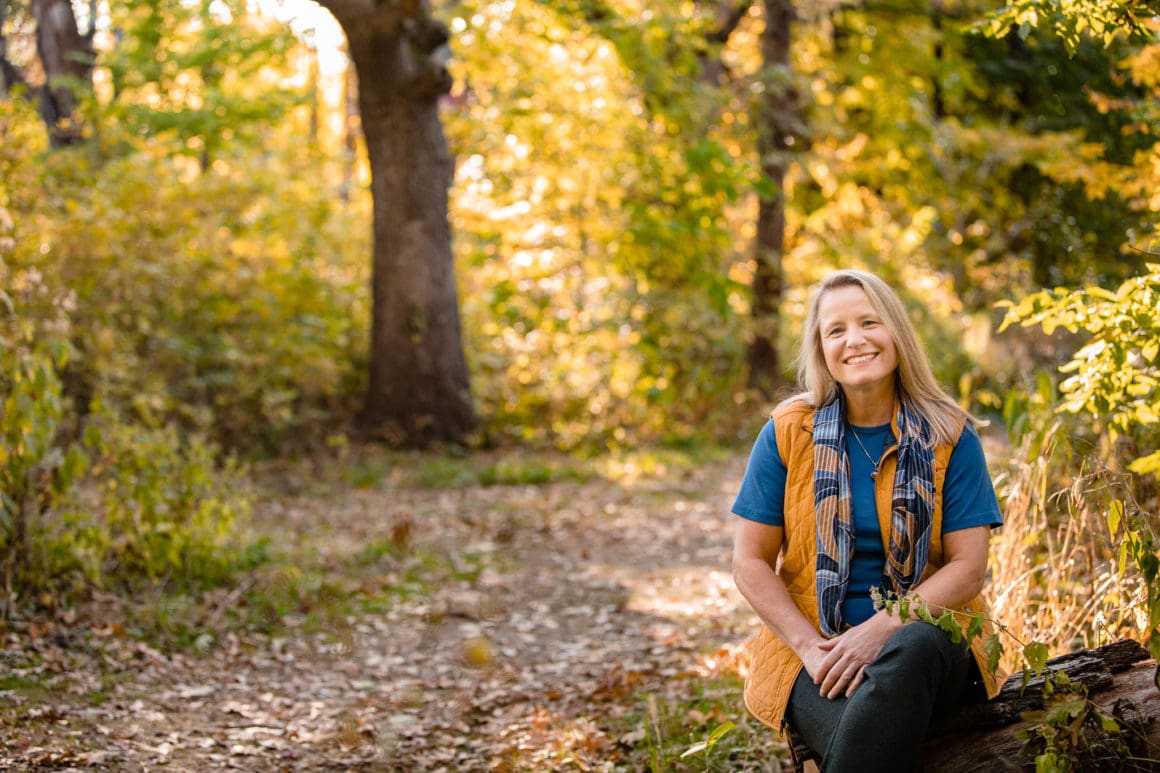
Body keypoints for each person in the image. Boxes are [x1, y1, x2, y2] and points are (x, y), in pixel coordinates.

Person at [731, 269, 1006, 772]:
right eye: (836, 330)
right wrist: (810, 648)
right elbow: (749, 561)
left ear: (896, 332)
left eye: (869, 323)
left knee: (914, 647)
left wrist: (881, 630)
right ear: (821, 348)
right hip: (815, 649)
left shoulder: (951, 434)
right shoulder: (788, 432)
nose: (854, 340)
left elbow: (968, 569)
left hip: (928, 638)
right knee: (868, 732)